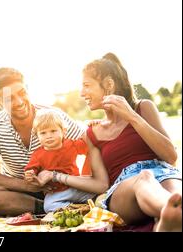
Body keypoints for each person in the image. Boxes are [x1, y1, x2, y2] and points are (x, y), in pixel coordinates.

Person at [35, 53, 182, 231]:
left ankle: (169, 217)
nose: (82, 93)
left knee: (176, 194)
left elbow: (171, 157)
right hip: (124, 190)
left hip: (163, 171)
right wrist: (55, 175)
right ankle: (169, 210)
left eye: (87, 85)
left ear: (109, 85)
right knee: (145, 178)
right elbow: (100, 184)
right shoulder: (92, 133)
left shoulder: (143, 108)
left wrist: (132, 117)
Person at [0, 67, 88, 216]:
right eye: (9, 98)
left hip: (63, 188)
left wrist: (87, 181)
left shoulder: (53, 115)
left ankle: (59, 205)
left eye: (22, 93)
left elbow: (90, 146)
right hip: (21, 194)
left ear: (27, 89)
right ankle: (48, 208)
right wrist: (28, 186)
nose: (19, 102)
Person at [24, 109, 96, 213]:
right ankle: (77, 209)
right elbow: (31, 170)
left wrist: (92, 127)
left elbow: (89, 143)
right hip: (56, 192)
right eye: (43, 133)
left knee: (97, 193)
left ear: (64, 131)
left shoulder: (72, 145)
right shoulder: (37, 155)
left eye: (53, 131)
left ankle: (89, 205)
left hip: (76, 186)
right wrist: (30, 174)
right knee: (48, 206)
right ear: (37, 136)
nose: (49, 136)